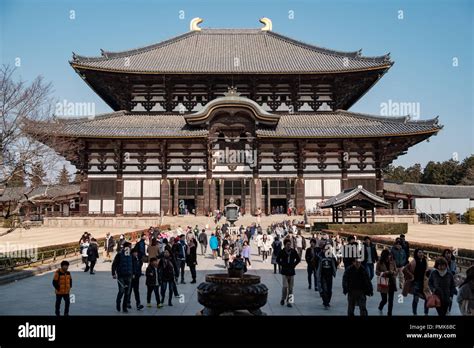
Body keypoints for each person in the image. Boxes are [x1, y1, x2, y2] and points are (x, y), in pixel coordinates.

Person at [403, 248, 430, 315]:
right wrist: (411, 276)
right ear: (416, 253)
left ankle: (426, 313)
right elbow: (404, 269)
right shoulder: (413, 262)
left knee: (427, 298)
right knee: (416, 299)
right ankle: (414, 313)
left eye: (422, 252)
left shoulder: (424, 261)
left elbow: (426, 270)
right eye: (419, 252)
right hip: (416, 283)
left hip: (424, 283)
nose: (421, 254)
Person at [276, 239, 301, 308]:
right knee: (285, 287)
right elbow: (277, 260)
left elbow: (298, 259)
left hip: (291, 271)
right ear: (285, 245)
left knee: (291, 288)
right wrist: (282, 264)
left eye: (290, 244)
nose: (289, 246)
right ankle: (283, 298)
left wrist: (294, 265)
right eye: (287, 245)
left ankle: (289, 302)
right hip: (284, 271)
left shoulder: (293, 251)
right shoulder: (282, 252)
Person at [112, 242, 133, 313]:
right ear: (125, 247)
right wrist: (113, 273)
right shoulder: (119, 255)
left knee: (127, 293)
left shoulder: (131, 255)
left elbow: (133, 264)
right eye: (129, 247)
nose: (130, 248)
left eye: (130, 247)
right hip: (121, 276)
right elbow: (114, 264)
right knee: (121, 291)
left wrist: (134, 273)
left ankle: (124, 307)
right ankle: (118, 302)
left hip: (129, 276)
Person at [375, 249, 397, 316]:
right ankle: (380, 307)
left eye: (390, 255)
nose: (389, 256)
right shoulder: (379, 262)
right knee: (384, 300)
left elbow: (396, 271)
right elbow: (376, 272)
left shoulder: (393, 262)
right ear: (384, 256)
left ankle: (389, 313)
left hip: (391, 282)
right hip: (383, 281)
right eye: (388, 255)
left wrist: (393, 272)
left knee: (391, 300)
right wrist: (383, 273)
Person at [318, 244, 337, 309]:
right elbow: (317, 266)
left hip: (329, 275)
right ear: (322, 250)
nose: (325, 250)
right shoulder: (320, 256)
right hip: (323, 275)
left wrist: (334, 272)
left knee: (329, 290)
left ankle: (327, 301)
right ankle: (325, 302)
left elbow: (335, 264)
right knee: (324, 289)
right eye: (324, 249)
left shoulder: (331, 256)